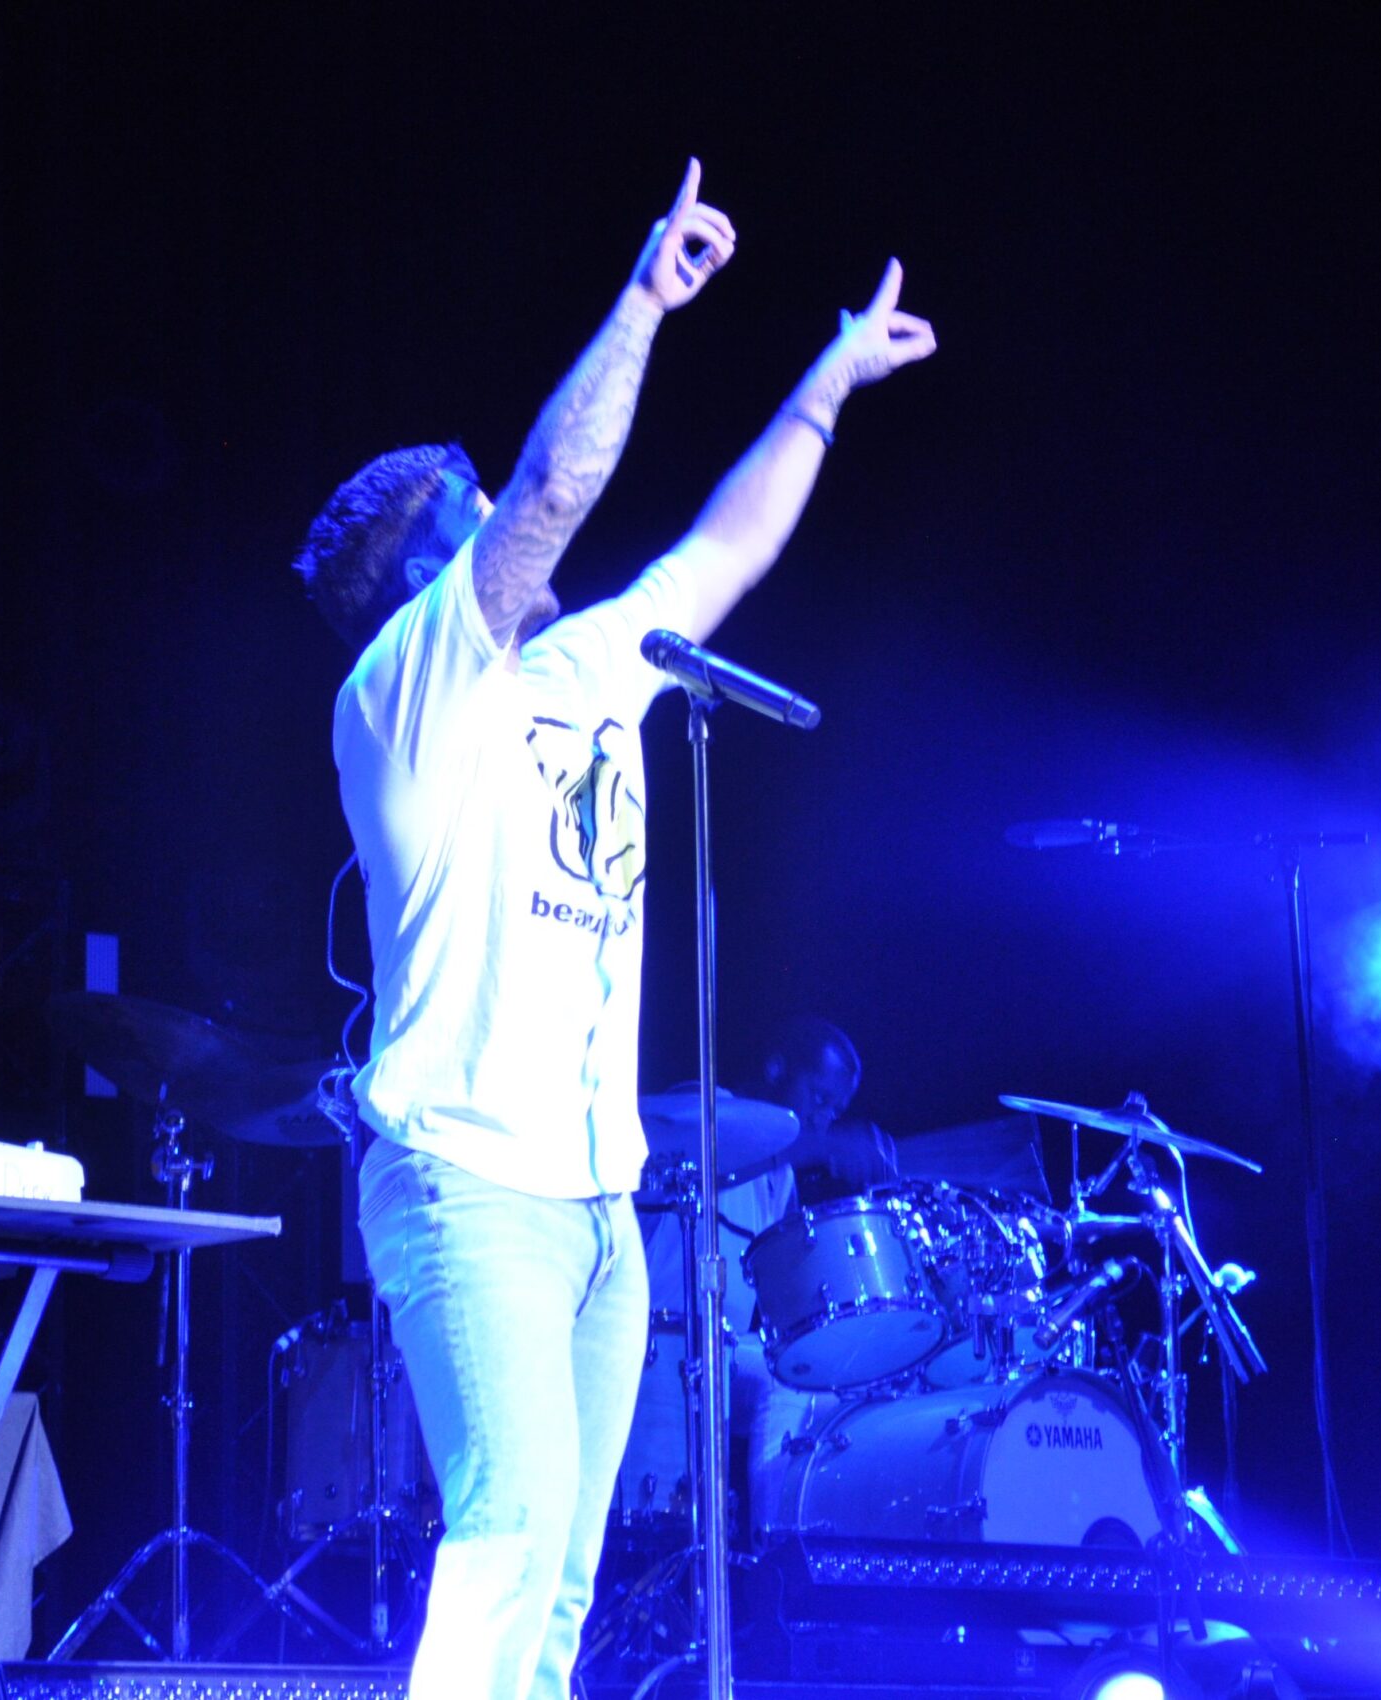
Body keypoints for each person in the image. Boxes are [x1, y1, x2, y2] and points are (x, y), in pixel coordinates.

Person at [295, 158, 933, 1700]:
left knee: (562, 1587)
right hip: (469, 1188)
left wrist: (827, 384)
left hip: (598, 1206)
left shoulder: (587, 669)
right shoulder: (401, 696)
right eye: (475, 518)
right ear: (428, 571)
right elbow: (553, 493)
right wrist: (647, 301)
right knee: (507, 1539)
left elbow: (723, 553)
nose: (520, 531)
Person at [626, 1017, 897, 1534]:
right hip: (656, 1336)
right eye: (819, 1097)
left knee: (802, 1378)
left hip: (722, 1345)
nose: (824, 1118)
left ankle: (775, 1540)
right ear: (776, 1070)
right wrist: (828, 1146)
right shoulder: (700, 1107)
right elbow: (720, 1146)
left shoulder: (779, 1174)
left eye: (835, 1110)